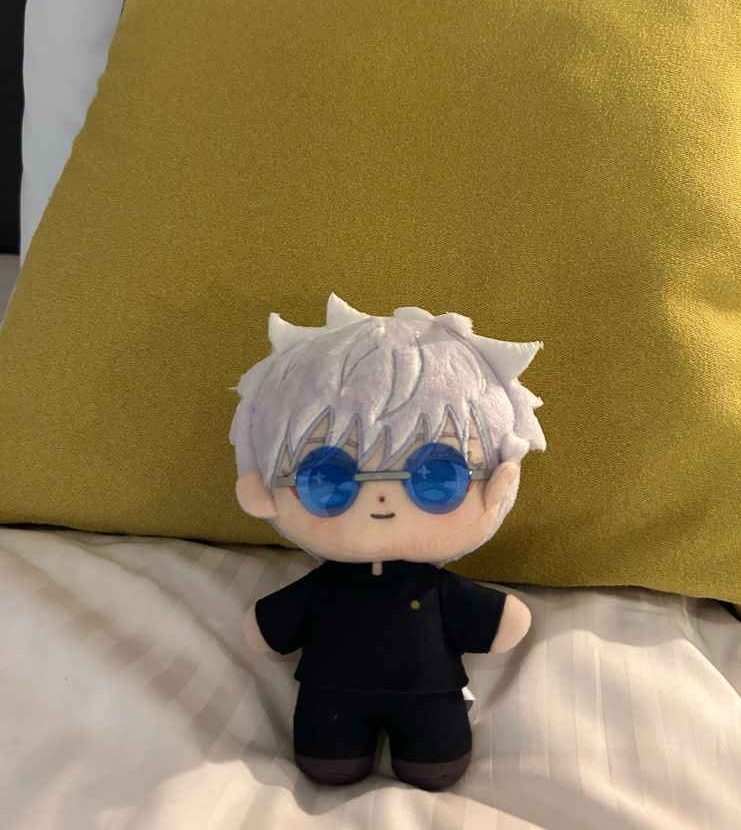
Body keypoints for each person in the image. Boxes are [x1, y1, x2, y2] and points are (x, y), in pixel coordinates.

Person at [230, 293, 545, 790]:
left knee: (435, 754)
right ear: (261, 492)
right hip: (330, 695)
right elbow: (268, 630)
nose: (380, 498)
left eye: (436, 478)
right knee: (326, 753)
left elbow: (498, 623)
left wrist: (499, 616)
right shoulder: (324, 586)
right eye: (328, 481)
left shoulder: (437, 590)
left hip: (428, 696)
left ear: (497, 484)